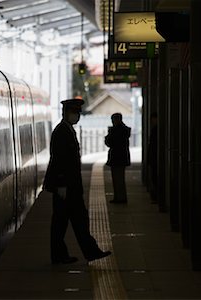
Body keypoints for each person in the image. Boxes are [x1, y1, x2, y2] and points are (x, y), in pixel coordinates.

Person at [43, 98, 112, 264]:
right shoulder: (61, 131)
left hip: (71, 187)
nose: (77, 116)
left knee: (77, 221)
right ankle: (64, 255)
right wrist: (60, 184)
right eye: (74, 112)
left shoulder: (67, 130)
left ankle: (89, 252)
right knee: (62, 223)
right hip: (65, 187)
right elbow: (58, 160)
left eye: (78, 113)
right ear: (65, 113)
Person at [105, 113, 131, 203]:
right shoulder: (125, 130)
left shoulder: (116, 130)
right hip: (122, 157)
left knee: (117, 178)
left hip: (116, 157)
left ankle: (119, 197)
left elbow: (110, 142)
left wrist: (109, 134)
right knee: (119, 178)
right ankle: (120, 197)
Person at [148, 112, 158, 204]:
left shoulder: (156, 130)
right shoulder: (155, 130)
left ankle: (156, 196)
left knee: (155, 177)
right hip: (153, 158)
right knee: (154, 177)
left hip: (155, 158)